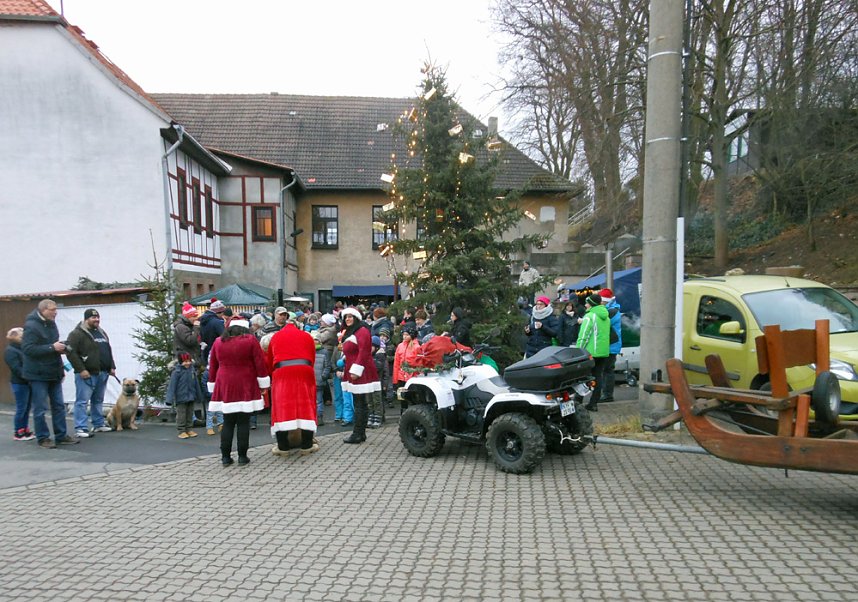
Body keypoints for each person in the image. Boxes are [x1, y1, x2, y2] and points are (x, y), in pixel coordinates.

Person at [209, 319, 270, 465]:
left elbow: (213, 365)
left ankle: (225, 457)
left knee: (228, 421)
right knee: (243, 421)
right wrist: (263, 383)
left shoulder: (218, 342)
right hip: (245, 380)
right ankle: (242, 456)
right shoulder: (250, 340)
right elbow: (259, 362)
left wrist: (212, 384)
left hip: (225, 381)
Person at [22, 299, 78, 448]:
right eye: (52, 310)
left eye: (55, 309)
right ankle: (43, 438)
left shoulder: (52, 324)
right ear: (43, 310)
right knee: (40, 408)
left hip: (54, 372)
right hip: (37, 374)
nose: (56, 312)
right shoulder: (31, 326)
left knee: (59, 406)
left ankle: (61, 435)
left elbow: (52, 346)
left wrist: (61, 349)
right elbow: (28, 349)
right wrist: (52, 348)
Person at [268, 314, 319, 457]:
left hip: (282, 372)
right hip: (304, 371)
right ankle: (307, 445)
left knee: (281, 407)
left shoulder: (276, 337)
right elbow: (312, 357)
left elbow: (270, 360)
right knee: (306, 406)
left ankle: (283, 447)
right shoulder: (307, 336)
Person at [66, 308, 116, 438]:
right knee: (82, 401)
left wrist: (112, 366)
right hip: (87, 373)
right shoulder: (76, 334)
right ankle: (81, 428)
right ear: (86, 319)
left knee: (98, 400)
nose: (96, 320)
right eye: (93, 317)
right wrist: (81, 369)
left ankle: (98, 424)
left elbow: (107, 350)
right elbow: (71, 353)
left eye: (98, 317)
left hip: (103, 372)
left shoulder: (101, 332)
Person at [340, 307, 381, 444]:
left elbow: (364, 352)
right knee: (359, 402)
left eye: (350, 316)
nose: (348, 319)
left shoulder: (362, 331)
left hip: (359, 371)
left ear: (356, 318)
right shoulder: (352, 331)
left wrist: (356, 371)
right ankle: (360, 433)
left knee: (359, 403)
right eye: (346, 317)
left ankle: (358, 433)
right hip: (353, 369)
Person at [576, 293, 611, 412]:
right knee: (598, 377)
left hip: (590, 353)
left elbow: (584, 336)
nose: (585, 305)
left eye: (587, 303)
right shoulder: (606, 317)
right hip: (603, 352)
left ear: (591, 304)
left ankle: (577, 402)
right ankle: (593, 403)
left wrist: (579, 350)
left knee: (582, 377)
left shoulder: (589, 316)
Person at [5, 327, 34, 441]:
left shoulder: (23, 349)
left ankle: (24, 429)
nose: (24, 338)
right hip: (19, 383)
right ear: (14, 337)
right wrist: (28, 376)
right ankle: (18, 432)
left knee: (27, 407)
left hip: (27, 382)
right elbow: (16, 368)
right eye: (21, 336)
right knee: (21, 407)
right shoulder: (10, 351)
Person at [167, 353, 203, 439]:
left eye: (189, 361)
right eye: (185, 361)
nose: (187, 363)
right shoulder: (176, 372)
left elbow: (196, 384)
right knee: (181, 415)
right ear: (181, 362)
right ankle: (181, 430)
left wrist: (199, 396)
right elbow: (172, 386)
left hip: (191, 396)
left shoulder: (192, 371)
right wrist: (169, 399)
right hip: (181, 397)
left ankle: (189, 429)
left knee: (190, 414)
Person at [599, 288, 623, 403]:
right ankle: (606, 394)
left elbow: (602, 322)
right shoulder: (611, 309)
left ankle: (607, 395)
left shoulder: (611, 311)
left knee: (607, 370)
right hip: (609, 344)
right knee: (606, 370)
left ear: (605, 300)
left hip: (611, 345)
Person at [368, 335, 387, 428]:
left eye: (371, 346)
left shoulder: (380, 356)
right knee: (370, 400)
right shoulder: (369, 356)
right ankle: (371, 415)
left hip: (377, 381)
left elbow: (378, 368)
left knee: (377, 401)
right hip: (369, 381)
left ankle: (378, 417)